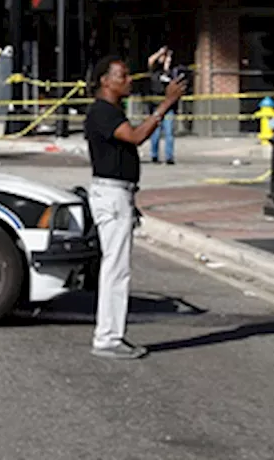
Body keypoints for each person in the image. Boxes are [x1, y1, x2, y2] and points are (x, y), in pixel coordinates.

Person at [84, 55, 186, 360]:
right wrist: (165, 105)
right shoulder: (102, 112)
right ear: (105, 80)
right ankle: (107, 338)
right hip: (111, 194)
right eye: (122, 76)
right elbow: (136, 137)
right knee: (116, 269)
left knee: (116, 267)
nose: (129, 80)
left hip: (119, 194)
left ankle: (111, 334)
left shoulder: (112, 110)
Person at [146, 45, 177, 164]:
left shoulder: (169, 74)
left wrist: (168, 60)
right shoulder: (154, 71)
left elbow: (169, 74)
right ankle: (154, 155)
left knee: (169, 132)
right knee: (155, 132)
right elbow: (150, 60)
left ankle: (169, 157)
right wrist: (160, 52)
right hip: (155, 105)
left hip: (167, 106)